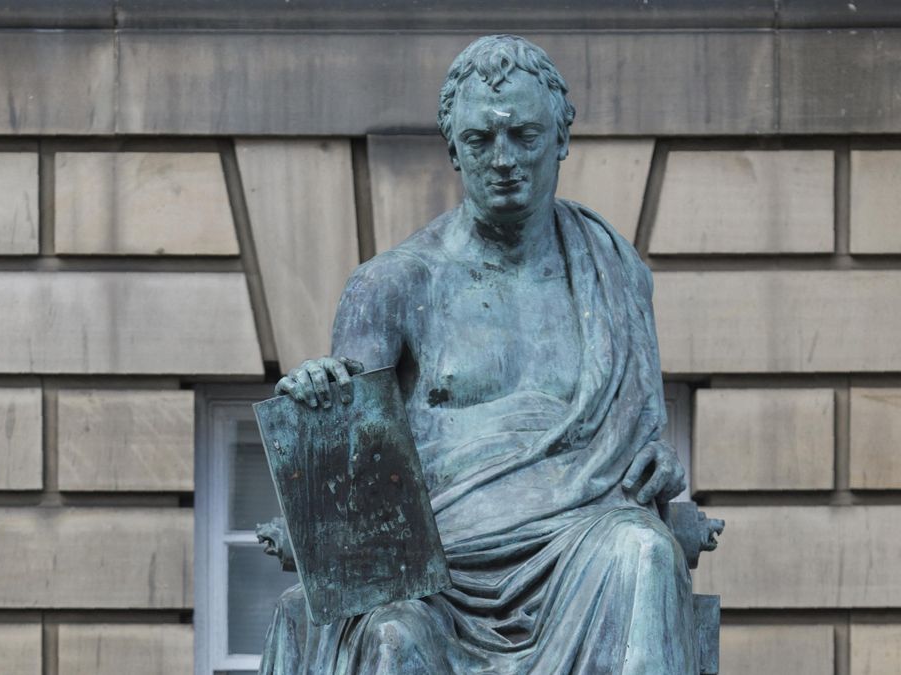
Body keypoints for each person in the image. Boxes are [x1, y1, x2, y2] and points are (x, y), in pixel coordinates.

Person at [261, 35, 697, 674]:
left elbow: (642, 436)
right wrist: (319, 401)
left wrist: (657, 463)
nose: (503, 160)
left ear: (561, 137)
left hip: (583, 542)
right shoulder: (393, 284)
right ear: (453, 149)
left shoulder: (613, 272)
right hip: (437, 568)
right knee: (388, 637)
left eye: (524, 136)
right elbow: (354, 482)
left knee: (644, 554)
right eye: (480, 141)